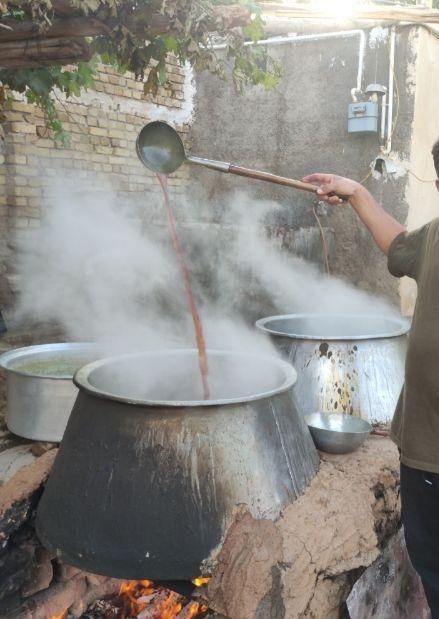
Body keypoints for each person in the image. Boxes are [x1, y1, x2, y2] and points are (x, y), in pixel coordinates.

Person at [303, 138, 439, 619]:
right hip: (425, 449)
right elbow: (399, 245)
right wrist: (357, 193)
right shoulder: (436, 236)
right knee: (431, 562)